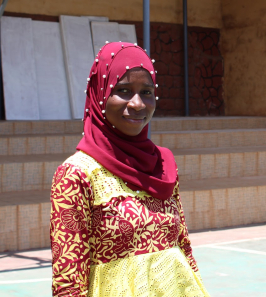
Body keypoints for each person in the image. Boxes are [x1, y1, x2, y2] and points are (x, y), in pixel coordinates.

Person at [50, 42, 210, 296]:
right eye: (123, 90)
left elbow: (182, 247)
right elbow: (68, 283)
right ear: (99, 94)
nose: (137, 104)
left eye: (146, 92)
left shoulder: (163, 164)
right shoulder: (77, 175)